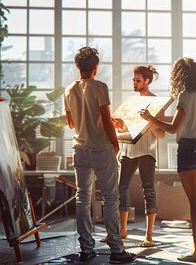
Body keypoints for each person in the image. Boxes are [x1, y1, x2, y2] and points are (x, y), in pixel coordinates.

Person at [140, 57, 196, 262]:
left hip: (188, 149)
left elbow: (174, 128)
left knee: (195, 201)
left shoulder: (184, 95)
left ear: (180, 75)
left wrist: (150, 118)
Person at [64, 46, 136, 263]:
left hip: (79, 149)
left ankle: (86, 249)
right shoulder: (100, 87)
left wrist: (88, 120)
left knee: (83, 199)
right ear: (95, 67)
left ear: (78, 67)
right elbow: (105, 120)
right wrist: (115, 143)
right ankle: (116, 250)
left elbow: (71, 123)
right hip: (101, 149)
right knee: (111, 198)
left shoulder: (68, 90)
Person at [113, 65, 165, 247]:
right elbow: (125, 130)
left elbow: (161, 134)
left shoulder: (157, 102)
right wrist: (119, 125)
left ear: (147, 81)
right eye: (133, 80)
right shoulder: (131, 102)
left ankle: (149, 235)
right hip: (128, 150)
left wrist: (149, 119)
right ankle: (122, 230)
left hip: (146, 151)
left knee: (148, 189)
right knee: (121, 188)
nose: (134, 83)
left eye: (138, 80)